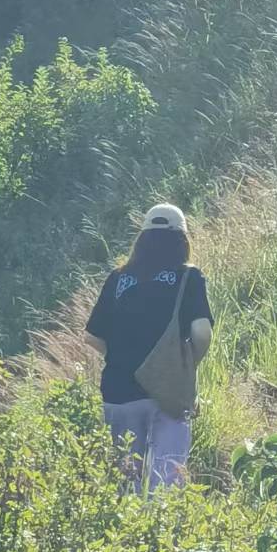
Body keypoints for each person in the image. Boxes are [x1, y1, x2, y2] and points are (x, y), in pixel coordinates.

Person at [85, 204, 213, 489]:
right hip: (168, 391)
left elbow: (92, 336)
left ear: (141, 240)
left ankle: (127, 532)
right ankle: (163, 530)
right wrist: (185, 365)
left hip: (118, 391)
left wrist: (120, 358)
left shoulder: (118, 278)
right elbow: (201, 331)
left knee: (125, 483)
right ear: (183, 239)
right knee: (166, 481)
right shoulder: (188, 277)